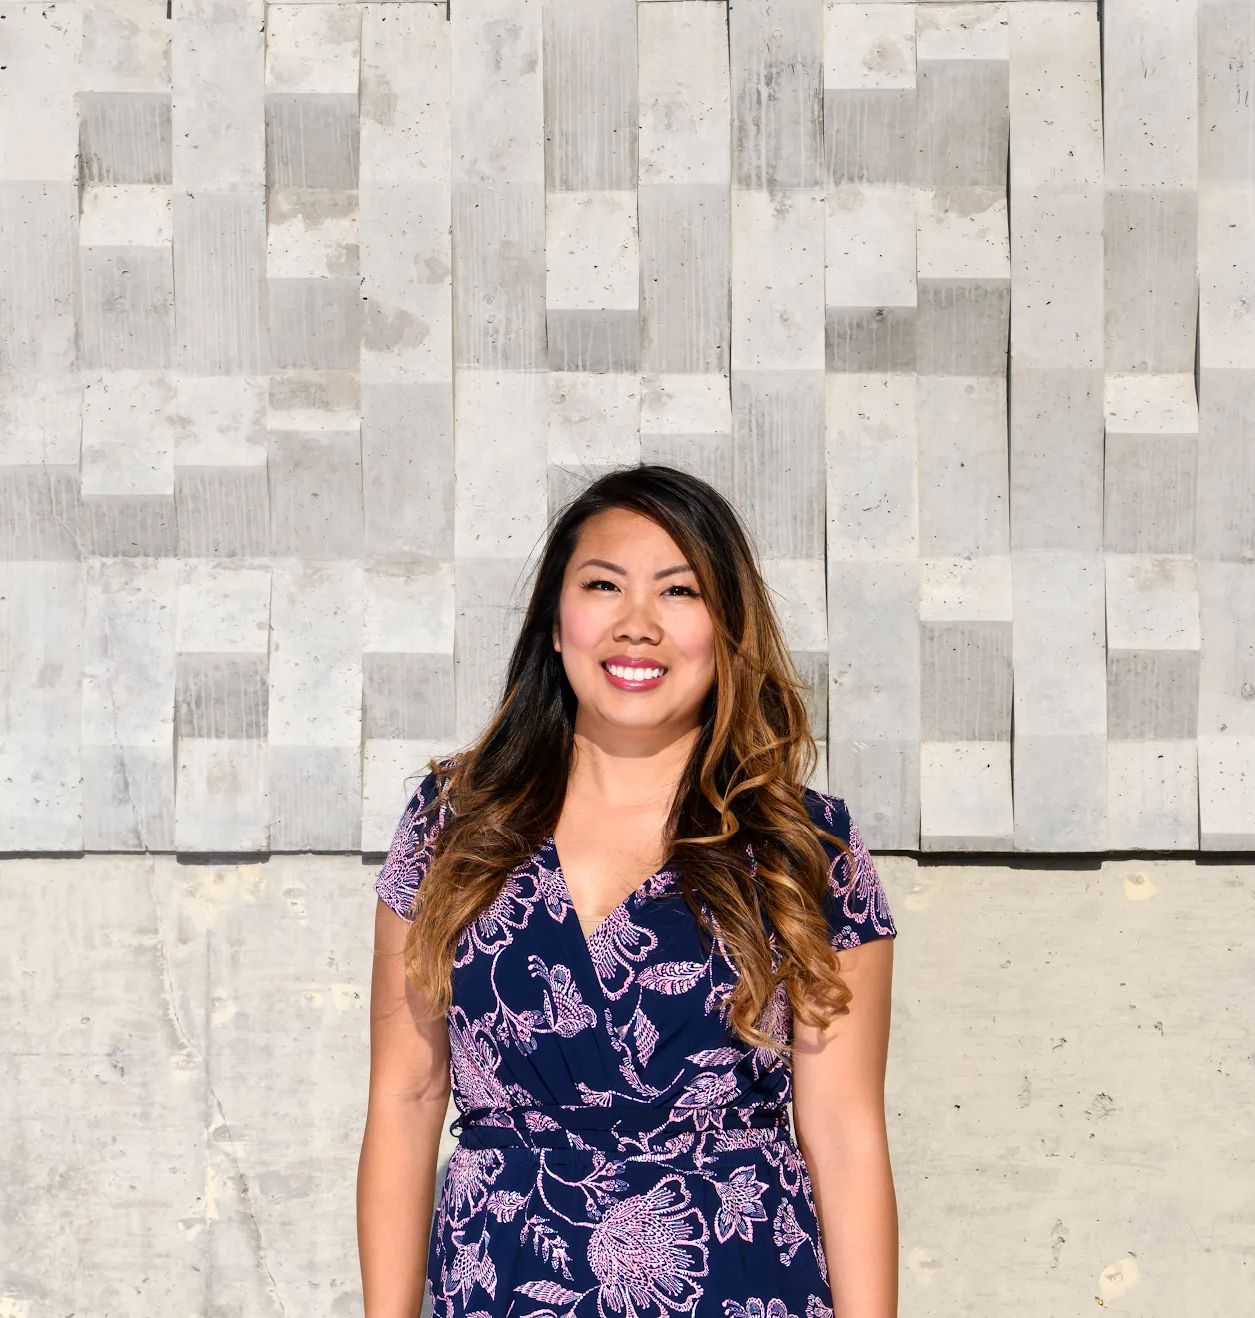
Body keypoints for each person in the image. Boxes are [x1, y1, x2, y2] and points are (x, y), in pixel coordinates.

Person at [357, 465, 900, 1318]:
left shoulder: (807, 848)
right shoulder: (450, 827)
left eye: (679, 591)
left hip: (738, 1288)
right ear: (555, 617)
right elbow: (406, 1096)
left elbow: (844, 1135)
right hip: (502, 1287)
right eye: (603, 585)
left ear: (727, 625)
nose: (637, 624)